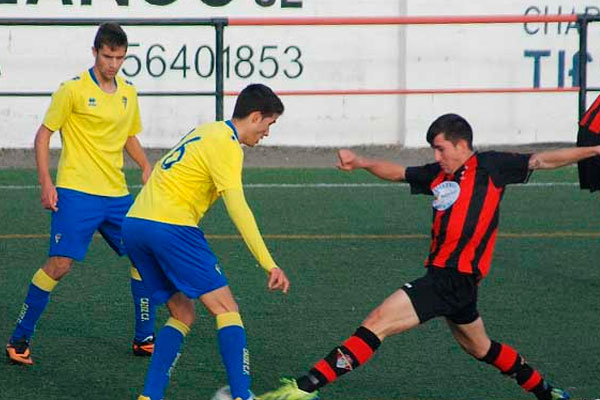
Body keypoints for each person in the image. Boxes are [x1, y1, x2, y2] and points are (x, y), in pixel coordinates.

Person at [261, 113, 600, 400]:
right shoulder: (439, 174)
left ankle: (306, 388)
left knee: (377, 322)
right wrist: (362, 162)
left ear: (461, 144)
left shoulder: (492, 166)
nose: (437, 156)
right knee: (482, 349)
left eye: (440, 148)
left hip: (450, 278)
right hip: (457, 286)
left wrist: (596, 149)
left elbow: (543, 160)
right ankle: (549, 392)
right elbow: (398, 172)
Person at [122, 83, 290, 400]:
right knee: (226, 308)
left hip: (134, 225)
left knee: (182, 313)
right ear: (256, 117)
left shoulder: (205, 131)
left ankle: (150, 397)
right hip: (171, 227)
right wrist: (269, 263)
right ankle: (241, 395)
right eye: (269, 124)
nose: (267, 133)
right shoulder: (228, 146)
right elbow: (238, 207)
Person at [5, 22, 157, 366]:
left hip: (117, 194)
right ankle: (19, 337)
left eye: (119, 57)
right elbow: (44, 135)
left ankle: (144, 337)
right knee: (60, 265)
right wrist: (46, 182)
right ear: (94, 53)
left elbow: (128, 135)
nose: (113, 64)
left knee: (143, 254)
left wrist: (145, 165)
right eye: (107, 56)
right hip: (76, 193)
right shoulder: (71, 90)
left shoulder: (128, 92)